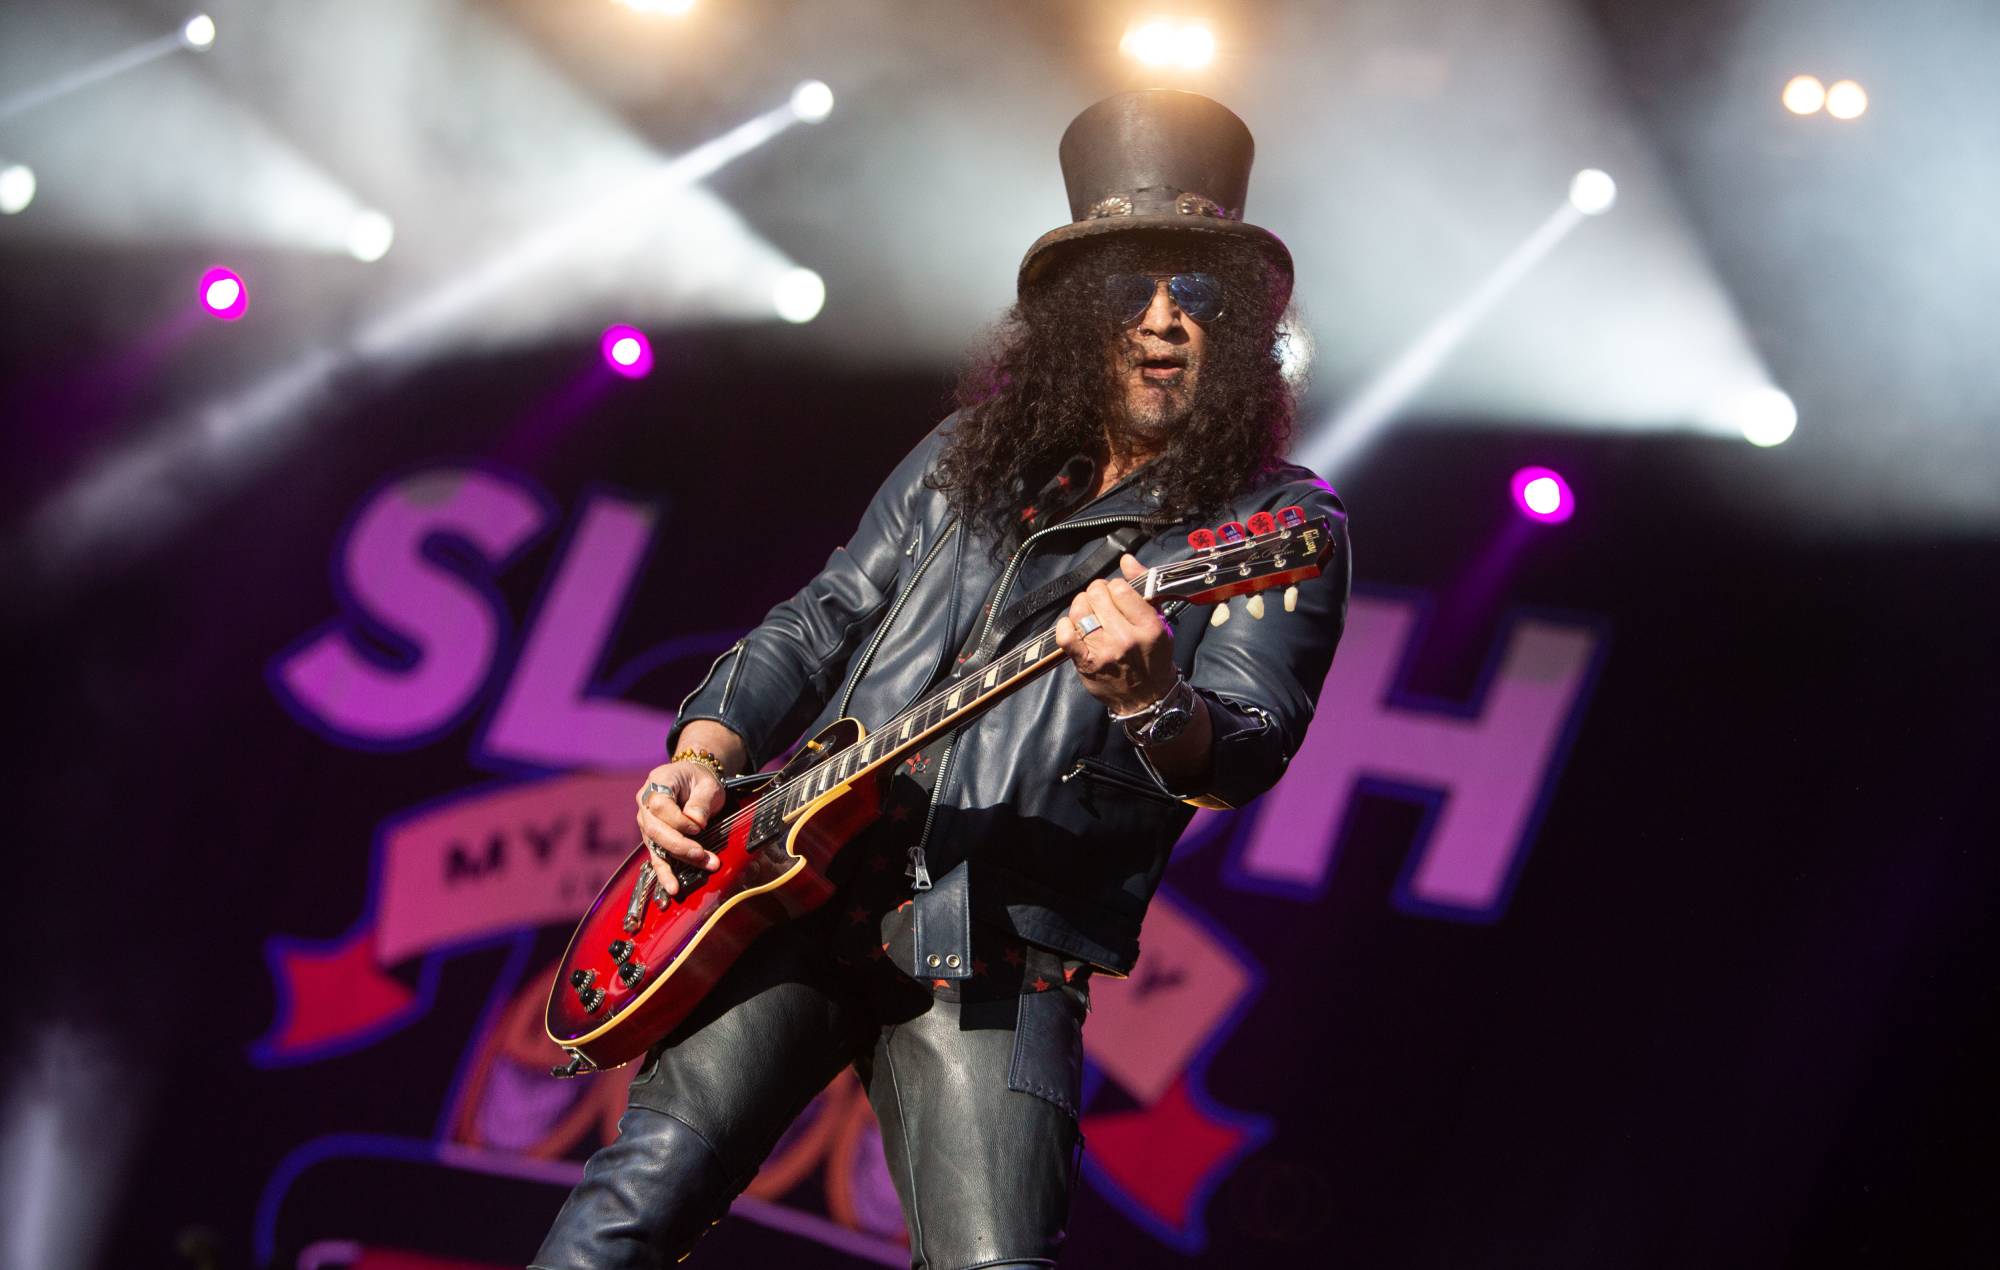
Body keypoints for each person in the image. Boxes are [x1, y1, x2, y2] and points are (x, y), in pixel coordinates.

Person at [532, 89, 1351, 1270]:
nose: (1165, 320)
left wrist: (1149, 699)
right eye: (1131, 290)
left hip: (999, 946)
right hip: (787, 881)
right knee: (628, 1210)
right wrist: (703, 750)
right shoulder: (968, 460)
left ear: (1240, 331)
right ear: (1080, 317)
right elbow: (823, 619)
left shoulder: (1276, 519)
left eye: (1200, 294)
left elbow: (1248, 739)